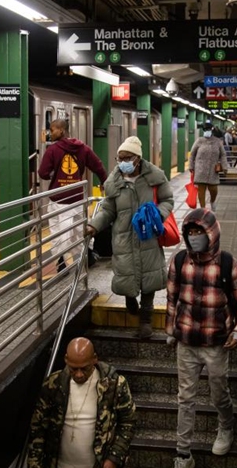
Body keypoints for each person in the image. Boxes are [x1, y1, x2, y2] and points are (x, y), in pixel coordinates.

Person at [165, 209, 237, 468]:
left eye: (199, 232)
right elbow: (172, 298)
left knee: (219, 393)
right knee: (185, 398)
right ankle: (183, 453)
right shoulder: (179, 261)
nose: (194, 237)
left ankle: (226, 426)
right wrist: (170, 330)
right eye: (190, 232)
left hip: (216, 345)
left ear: (212, 234)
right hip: (186, 343)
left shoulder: (230, 265)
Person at [86, 136, 173, 339]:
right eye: (120, 158)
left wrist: (159, 214)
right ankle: (130, 298)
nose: (123, 162)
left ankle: (146, 321)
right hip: (123, 237)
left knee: (150, 279)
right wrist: (94, 225)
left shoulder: (155, 177)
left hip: (148, 236)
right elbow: (108, 209)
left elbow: (167, 199)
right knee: (126, 273)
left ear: (137, 158)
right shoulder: (114, 182)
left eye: (127, 157)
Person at [27, 337, 136, 468]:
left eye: (85, 368)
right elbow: (38, 427)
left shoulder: (114, 384)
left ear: (95, 359)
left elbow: (128, 422)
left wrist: (114, 458)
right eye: (73, 369)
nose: (79, 374)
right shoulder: (53, 385)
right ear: (66, 360)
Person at [39, 119, 108, 272]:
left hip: (59, 198)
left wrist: (55, 176)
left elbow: (43, 173)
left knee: (58, 231)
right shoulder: (82, 148)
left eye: (53, 129)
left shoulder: (53, 150)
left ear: (62, 131)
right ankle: (88, 254)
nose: (51, 133)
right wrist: (105, 181)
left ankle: (61, 261)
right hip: (77, 197)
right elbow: (98, 165)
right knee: (80, 227)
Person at [189, 122, 228, 211]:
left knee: (213, 189)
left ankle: (212, 201)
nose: (207, 131)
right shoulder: (199, 141)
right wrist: (191, 166)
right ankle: (203, 209)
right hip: (200, 169)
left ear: (212, 130)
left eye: (208, 129)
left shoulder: (218, 141)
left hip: (213, 170)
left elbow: (223, 155)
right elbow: (192, 154)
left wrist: (224, 167)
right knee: (201, 190)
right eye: (205, 130)